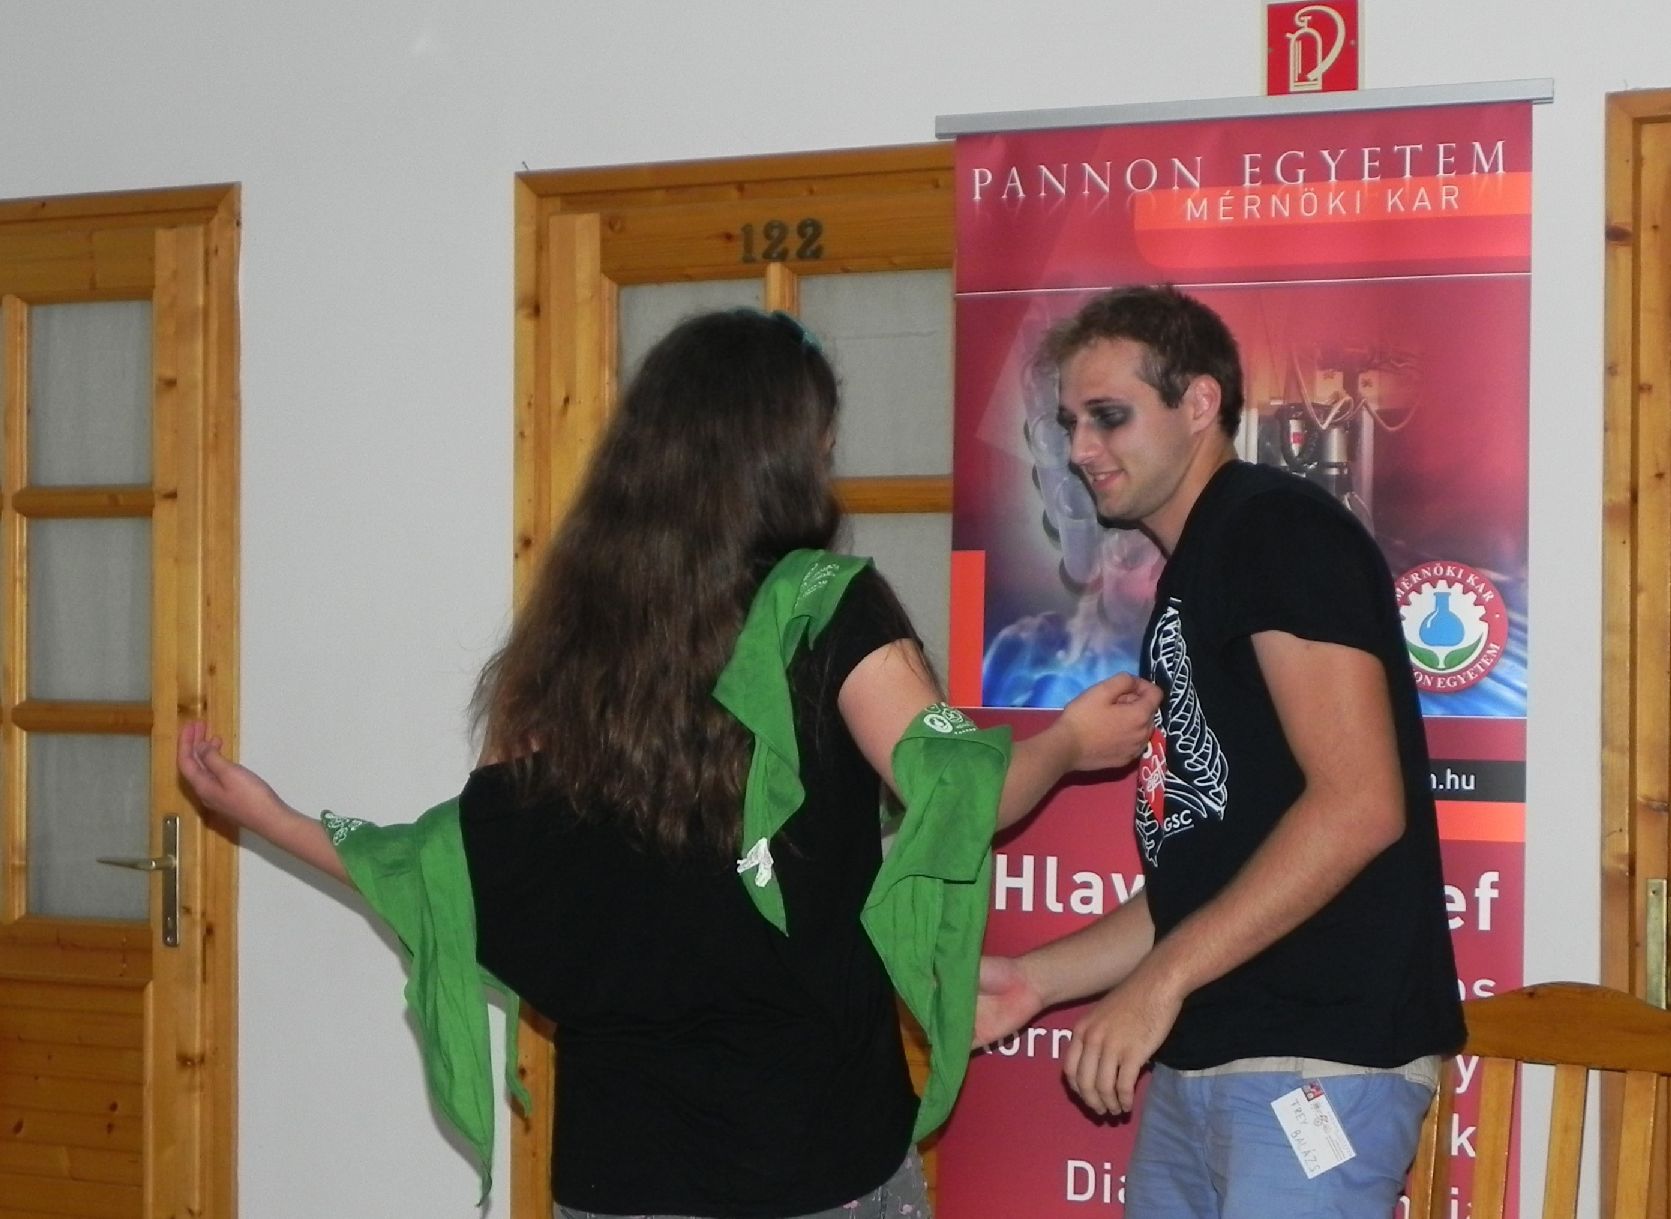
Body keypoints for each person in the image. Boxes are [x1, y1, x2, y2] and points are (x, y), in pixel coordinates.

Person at [178, 307, 1161, 1219]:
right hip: (812, 1158)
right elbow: (957, 790)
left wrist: (273, 817)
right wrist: (1070, 743)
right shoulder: (823, 604)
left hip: (619, 1173)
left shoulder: (570, 640)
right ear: (785, 454)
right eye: (822, 441)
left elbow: (453, 868)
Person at [974, 286, 1464, 1219]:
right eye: (1070, 423)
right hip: (1206, 1060)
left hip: (1312, 1062)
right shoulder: (1199, 565)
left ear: (1199, 402)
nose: (1080, 449)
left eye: (1109, 416)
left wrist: (1157, 983)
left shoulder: (1274, 530)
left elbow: (1359, 805)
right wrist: (1034, 981)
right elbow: (1207, 877)